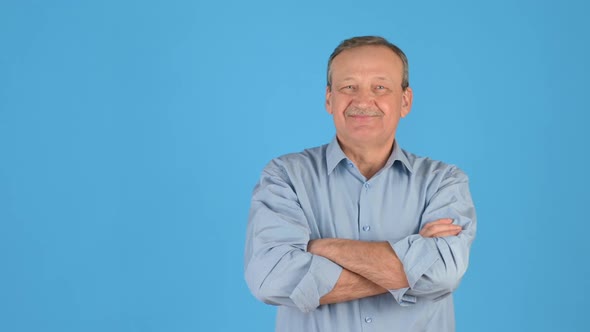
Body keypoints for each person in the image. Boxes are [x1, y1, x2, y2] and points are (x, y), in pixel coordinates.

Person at [244, 36, 476, 332]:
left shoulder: (444, 182)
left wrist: (321, 247)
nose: (363, 101)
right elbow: (271, 279)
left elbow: (443, 273)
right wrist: (411, 265)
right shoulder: (284, 177)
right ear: (329, 99)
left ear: (405, 101)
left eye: (380, 87)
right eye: (348, 87)